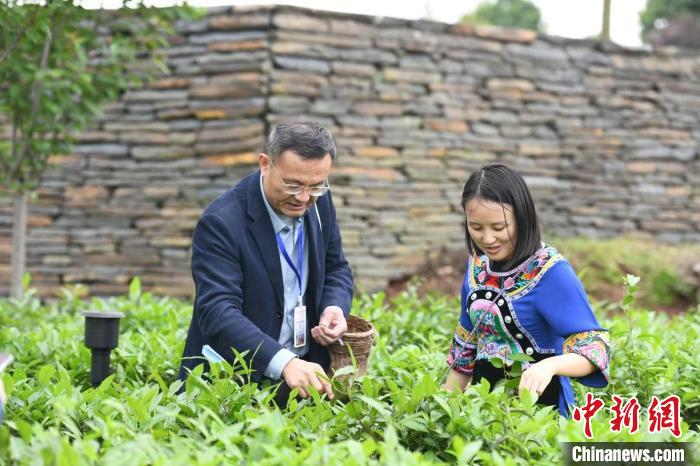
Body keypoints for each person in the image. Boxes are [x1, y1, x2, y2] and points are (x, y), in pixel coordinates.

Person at [179, 122, 354, 403]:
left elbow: (336, 268)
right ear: (265, 164)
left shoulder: (319, 201)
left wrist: (334, 307)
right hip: (230, 387)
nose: (304, 197)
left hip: (305, 378)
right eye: (293, 184)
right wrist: (283, 361)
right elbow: (217, 311)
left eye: (316, 186)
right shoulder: (221, 222)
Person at [443, 164, 610, 417]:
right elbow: (465, 349)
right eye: (476, 227)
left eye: (499, 228)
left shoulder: (552, 272)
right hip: (483, 411)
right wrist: (442, 408)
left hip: (541, 413)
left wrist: (549, 366)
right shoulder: (477, 267)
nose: (488, 239)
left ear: (522, 217)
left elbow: (595, 348)